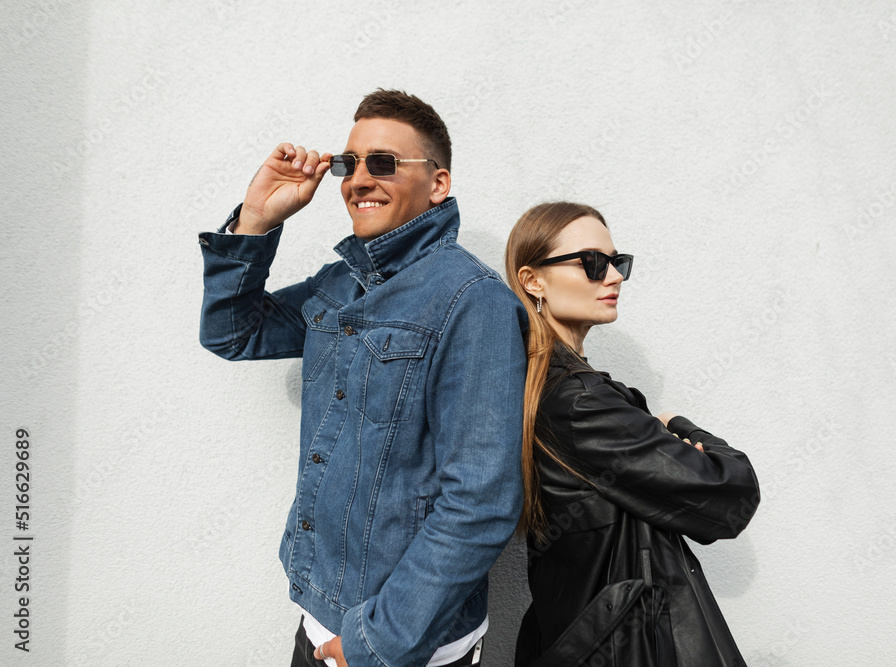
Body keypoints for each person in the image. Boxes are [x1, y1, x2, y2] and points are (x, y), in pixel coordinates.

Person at [198, 89, 527, 667]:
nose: (358, 179)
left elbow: (481, 501)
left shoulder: (474, 303)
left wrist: (377, 643)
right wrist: (255, 221)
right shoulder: (340, 283)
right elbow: (233, 333)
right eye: (349, 164)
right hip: (320, 615)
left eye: (383, 163)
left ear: (438, 184)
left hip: (403, 646)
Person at [504, 202, 760, 666]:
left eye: (617, 262)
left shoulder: (551, 388)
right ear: (533, 280)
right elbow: (730, 493)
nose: (615, 276)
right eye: (593, 263)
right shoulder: (580, 403)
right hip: (624, 646)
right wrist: (676, 425)